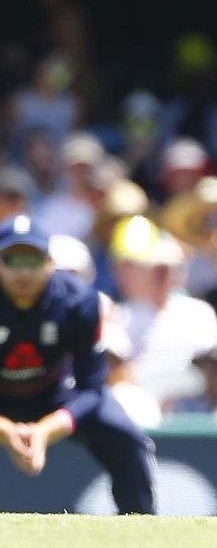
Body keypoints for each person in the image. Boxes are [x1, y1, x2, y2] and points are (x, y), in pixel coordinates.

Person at [0, 214, 155, 513]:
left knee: (127, 441)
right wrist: (7, 431)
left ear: (49, 263)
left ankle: (142, 527)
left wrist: (44, 431)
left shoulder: (79, 300)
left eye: (32, 260)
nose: (23, 273)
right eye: (12, 260)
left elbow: (93, 388)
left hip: (56, 392)